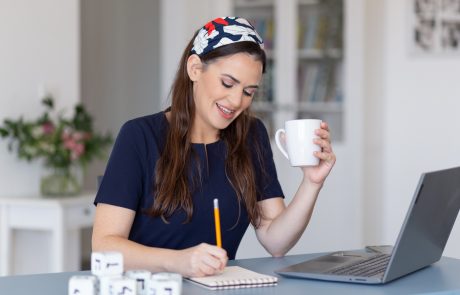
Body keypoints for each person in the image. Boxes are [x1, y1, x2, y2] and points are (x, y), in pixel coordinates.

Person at [92, 16, 336, 278]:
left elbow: (276, 241)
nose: (236, 101)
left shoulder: (252, 135)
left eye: (249, 92)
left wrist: (312, 183)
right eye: (228, 83)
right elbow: (104, 247)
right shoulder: (139, 136)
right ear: (195, 68)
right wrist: (178, 262)